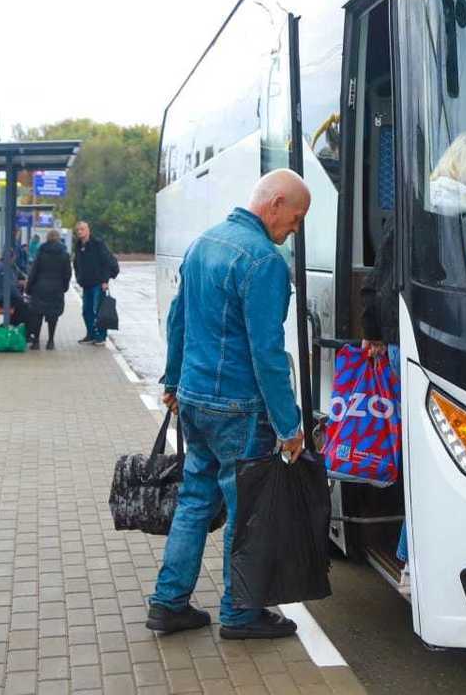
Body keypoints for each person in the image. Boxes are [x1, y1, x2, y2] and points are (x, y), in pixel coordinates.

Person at [149, 169, 310, 641]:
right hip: (239, 406)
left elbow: (179, 320)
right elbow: (267, 352)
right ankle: (240, 614)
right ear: (275, 204)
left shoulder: (204, 242)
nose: (295, 229)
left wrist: (173, 380)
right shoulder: (264, 261)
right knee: (247, 514)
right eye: (296, 218)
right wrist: (289, 423)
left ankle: (168, 602)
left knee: (196, 501)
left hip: (196, 400)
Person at [361, 132, 466, 596]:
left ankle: (411, 558)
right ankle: (411, 561)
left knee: (422, 454)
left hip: (405, 345)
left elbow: (380, 277)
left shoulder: (413, 209)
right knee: (448, 457)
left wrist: (374, 333)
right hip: (443, 349)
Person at [72, 220, 119, 346]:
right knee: (86, 311)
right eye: (78, 230)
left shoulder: (98, 244)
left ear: (88, 230)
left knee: (98, 311)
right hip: (86, 284)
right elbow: (76, 263)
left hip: (98, 283)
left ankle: (101, 336)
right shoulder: (78, 246)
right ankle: (91, 334)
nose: (80, 232)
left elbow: (107, 262)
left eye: (82, 229)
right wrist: (78, 278)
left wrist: (105, 281)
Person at [0, 249, 43, 349]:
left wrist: (20, 291)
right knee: (27, 308)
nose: (14, 261)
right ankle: (25, 334)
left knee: (21, 306)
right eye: (14, 258)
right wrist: (22, 298)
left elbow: (10, 284)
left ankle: (15, 328)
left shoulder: (2, 266)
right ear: (11, 258)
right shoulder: (3, 269)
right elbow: (10, 288)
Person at [26, 229, 72, 350]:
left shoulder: (41, 252)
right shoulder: (64, 254)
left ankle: (36, 342)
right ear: (58, 239)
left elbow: (33, 272)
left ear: (47, 238)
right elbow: (68, 274)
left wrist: (28, 288)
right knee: (53, 316)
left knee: (37, 315)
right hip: (56, 289)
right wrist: (64, 287)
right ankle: (50, 341)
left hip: (40, 288)